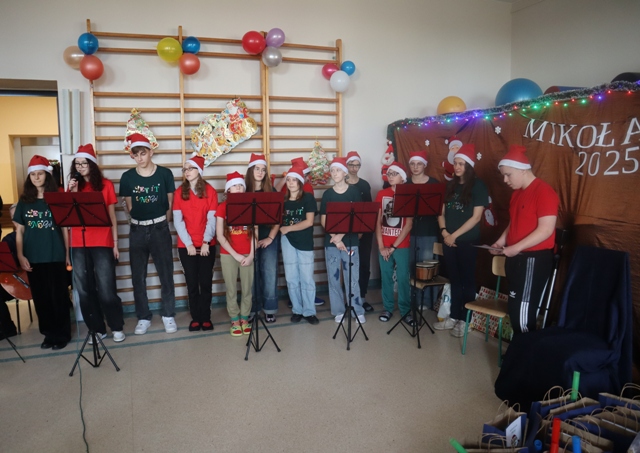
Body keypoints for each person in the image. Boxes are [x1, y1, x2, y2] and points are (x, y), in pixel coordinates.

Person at [490, 145, 558, 335]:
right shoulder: (517, 194)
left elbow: (546, 229)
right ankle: (520, 349)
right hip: (516, 258)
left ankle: (524, 350)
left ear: (522, 170)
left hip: (533, 260)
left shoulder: (544, 192)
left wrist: (516, 247)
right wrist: (501, 242)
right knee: (515, 309)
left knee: (523, 313)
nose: (505, 180)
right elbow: (514, 222)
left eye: (508, 175)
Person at [119, 133, 177, 335]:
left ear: (151, 152)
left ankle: (168, 314)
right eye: (135, 155)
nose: (140, 158)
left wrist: (162, 223)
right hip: (137, 230)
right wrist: (138, 223)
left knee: (166, 274)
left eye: (143, 153)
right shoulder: (127, 177)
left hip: (159, 227)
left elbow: (170, 202)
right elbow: (128, 206)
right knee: (138, 276)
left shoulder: (165, 174)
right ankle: (143, 317)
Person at [67, 144, 125, 343]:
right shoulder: (72, 186)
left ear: (92, 164)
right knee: (84, 290)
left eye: (84, 163)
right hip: (78, 242)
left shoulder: (105, 185)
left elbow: (112, 216)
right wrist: (72, 191)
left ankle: (116, 326)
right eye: (77, 164)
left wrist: (115, 243)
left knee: (106, 288)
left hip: (102, 241)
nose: (80, 167)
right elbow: (68, 217)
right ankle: (96, 329)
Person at [13, 155, 71, 350]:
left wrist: (67, 254)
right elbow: (20, 231)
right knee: (41, 298)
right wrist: (20, 255)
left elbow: (64, 229)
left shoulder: (57, 198)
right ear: (29, 177)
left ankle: (62, 334)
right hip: (33, 257)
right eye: (33, 175)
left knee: (58, 297)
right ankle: (48, 334)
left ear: (47, 175)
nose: (36, 178)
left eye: (40, 174)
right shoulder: (24, 201)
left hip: (55, 254)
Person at [435, 144, 489, 337]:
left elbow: (476, 217)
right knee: (454, 279)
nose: (456, 167)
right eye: (455, 163)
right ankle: (453, 316)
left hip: (466, 241)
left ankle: (466, 320)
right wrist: (444, 232)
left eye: (461, 164)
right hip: (448, 240)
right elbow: (440, 212)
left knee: (467, 280)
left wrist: (454, 235)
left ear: (469, 166)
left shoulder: (478, 186)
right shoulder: (450, 186)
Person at [172, 155, 217, 332]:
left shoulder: (210, 191)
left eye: (190, 168)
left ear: (199, 171)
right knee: (192, 283)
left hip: (207, 244)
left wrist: (205, 241)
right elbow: (178, 221)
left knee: (205, 282)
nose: (187, 172)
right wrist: (189, 244)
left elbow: (212, 219)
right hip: (186, 246)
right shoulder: (179, 192)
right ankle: (195, 318)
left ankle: (206, 317)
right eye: (185, 169)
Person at [320, 157, 365, 324]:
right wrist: (336, 239)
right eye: (332, 170)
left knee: (352, 277)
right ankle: (338, 310)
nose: (334, 173)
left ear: (345, 172)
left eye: (337, 170)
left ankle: (357, 310)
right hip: (332, 242)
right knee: (334, 277)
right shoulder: (327, 194)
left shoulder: (354, 192)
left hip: (351, 241)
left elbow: (357, 217)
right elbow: (324, 220)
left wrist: (341, 235)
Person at [216, 172, 255, 336]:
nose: (238, 188)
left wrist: (251, 255)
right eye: (234, 186)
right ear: (228, 190)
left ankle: (245, 317)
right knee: (231, 288)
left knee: (247, 288)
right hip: (228, 254)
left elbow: (255, 232)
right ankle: (234, 318)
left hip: (248, 253)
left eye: (240, 185)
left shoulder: (251, 205)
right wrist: (236, 255)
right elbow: (220, 235)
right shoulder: (222, 207)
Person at [375, 162, 414, 325]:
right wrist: (381, 246)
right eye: (389, 173)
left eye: (394, 174)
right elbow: (377, 222)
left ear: (402, 177)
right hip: (384, 244)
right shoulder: (381, 194)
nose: (390, 176)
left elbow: (408, 225)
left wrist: (393, 247)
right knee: (386, 276)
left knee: (403, 277)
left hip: (401, 245)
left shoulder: (409, 195)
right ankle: (388, 308)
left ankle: (405, 310)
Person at [280, 167, 319, 325]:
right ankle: (297, 309)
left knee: (307, 278)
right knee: (291, 278)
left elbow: (309, 222)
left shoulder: (308, 198)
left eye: (294, 180)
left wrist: (288, 228)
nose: (291, 183)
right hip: (287, 242)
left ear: (300, 182)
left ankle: (309, 311)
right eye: (288, 180)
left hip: (304, 243)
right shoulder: (283, 201)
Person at [245, 153, 280, 323]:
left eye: (263, 170)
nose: (260, 172)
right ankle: (252, 308)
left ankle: (270, 308)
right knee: (251, 275)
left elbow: (278, 218)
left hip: (268, 238)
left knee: (269, 273)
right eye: (257, 169)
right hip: (248, 240)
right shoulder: (244, 190)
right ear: (251, 170)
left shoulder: (271, 191)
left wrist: (270, 238)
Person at [407, 150, 441, 309]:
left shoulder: (434, 184)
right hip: (410, 231)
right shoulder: (406, 185)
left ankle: (427, 301)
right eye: (412, 164)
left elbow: (439, 209)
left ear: (424, 165)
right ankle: (413, 299)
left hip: (428, 231)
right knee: (412, 265)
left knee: (427, 266)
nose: (415, 167)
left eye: (419, 164)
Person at [345, 151, 374, 312]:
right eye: (351, 165)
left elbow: (368, 210)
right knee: (348, 265)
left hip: (364, 232)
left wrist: (362, 230)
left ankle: (362, 297)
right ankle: (349, 298)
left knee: (363, 264)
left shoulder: (364, 185)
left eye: (357, 165)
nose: (354, 168)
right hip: (347, 233)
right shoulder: (342, 183)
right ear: (347, 165)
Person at [0, 203, 19, 340]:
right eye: (13, 218)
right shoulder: (8, 239)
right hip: (16, 283)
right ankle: (8, 328)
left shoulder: (37, 236)